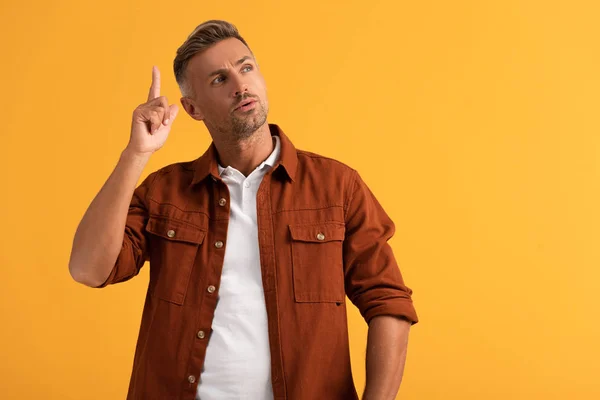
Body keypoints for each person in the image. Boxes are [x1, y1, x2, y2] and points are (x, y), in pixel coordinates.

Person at [68, 19, 419, 400]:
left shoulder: (337, 187)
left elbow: (389, 302)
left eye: (246, 67)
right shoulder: (165, 192)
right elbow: (88, 269)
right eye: (219, 80)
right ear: (192, 108)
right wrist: (136, 154)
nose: (241, 86)